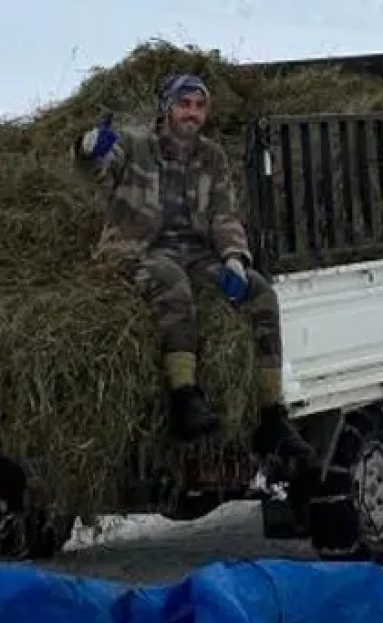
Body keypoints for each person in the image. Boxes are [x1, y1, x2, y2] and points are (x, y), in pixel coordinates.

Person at [72, 72, 316, 467]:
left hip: (198, 254)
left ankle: (272, 415)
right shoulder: (135, 147)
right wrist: (88, 148)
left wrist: (235, 259)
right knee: (172, 284)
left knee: (261, 293)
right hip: (141, 251)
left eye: (200, 106)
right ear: (168, 108)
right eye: (185, 105)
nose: (192, 114)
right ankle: (185, 397)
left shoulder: (212, 156)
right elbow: (96, 167)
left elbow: (224, 214)